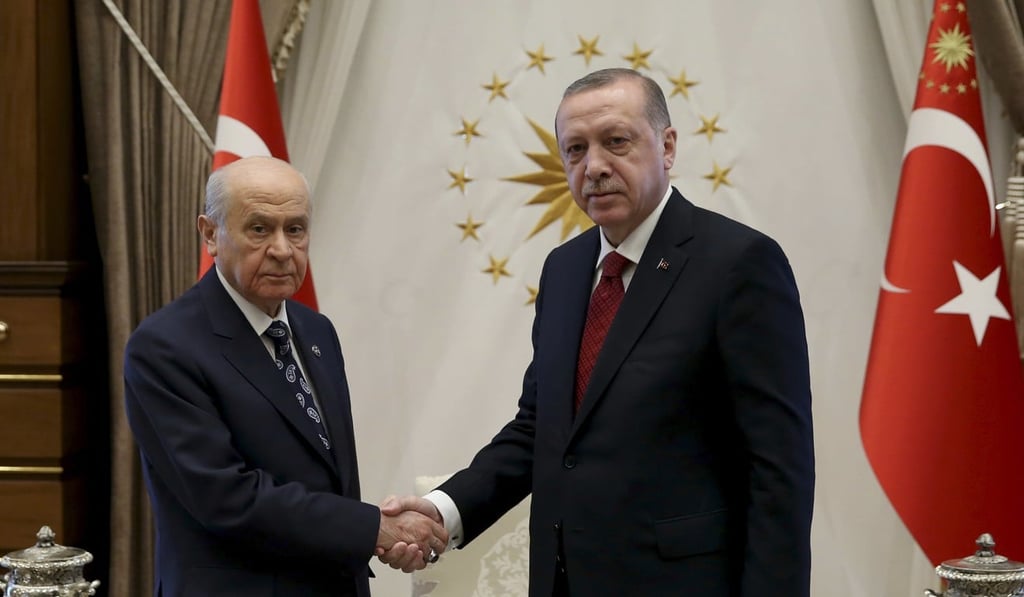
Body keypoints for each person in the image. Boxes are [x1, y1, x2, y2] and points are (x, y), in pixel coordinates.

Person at [380, 68, 815, 596]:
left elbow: (779, 471)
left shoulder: (738, 263)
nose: (595, 168)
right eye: (576, 150)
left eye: (616, 142)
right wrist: (442, 511)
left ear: (668, 146)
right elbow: (540, 430)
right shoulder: (564, 269)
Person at [124, 156, 447, 597]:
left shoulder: (316, 330)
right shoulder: (164, 346)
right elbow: (225, 497)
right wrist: (373, 528)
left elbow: (326, 478)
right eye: (259, 229)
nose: (281, 249)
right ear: (210, 234)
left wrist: (375, 533)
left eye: (295, 229)